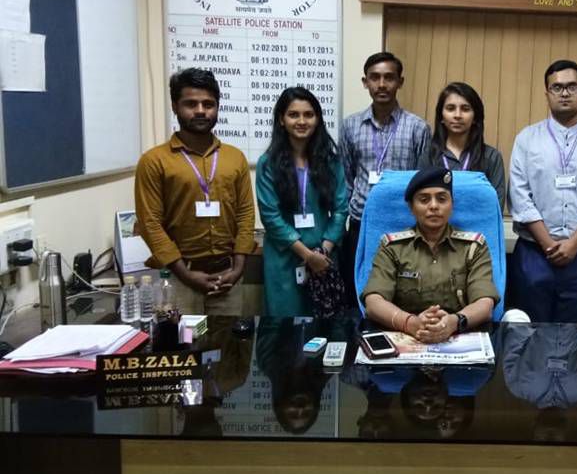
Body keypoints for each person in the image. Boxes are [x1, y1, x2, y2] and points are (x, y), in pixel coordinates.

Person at [135, 68, 255, 314]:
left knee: (227, 339)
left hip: (228, 278)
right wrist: (185, 273)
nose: (201, 111)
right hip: (178, 280)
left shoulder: (235, 158)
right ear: (175, 106)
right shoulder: (154, 161)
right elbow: (150, 223)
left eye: (208, 104)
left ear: (217, 107)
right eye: (191, 104)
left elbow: (245, 214)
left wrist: (238, 267)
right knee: (185, 339)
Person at [508, 59, 577, 323]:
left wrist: (574, 244)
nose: (565, 93)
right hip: (534, 253)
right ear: (547, 94)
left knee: (574, 331)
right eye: (557, 87)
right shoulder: (526, 139)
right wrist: (549, 245)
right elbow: (520, 195)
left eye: (572, 87)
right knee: (531, 329)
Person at [361, 166, 500, 343]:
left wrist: (454, 322)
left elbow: (485, 303)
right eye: (424, 199)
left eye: (442, 199)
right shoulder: (392, 247)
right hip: (405, 336)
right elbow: (373, 302)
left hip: (458, 337)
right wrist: (409, 323)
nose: (434, 206)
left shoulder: (473, 247)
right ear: (411, 207)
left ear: (452, 205)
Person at [339, 52, 431, 305]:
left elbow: (422, 181)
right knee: (359, 291)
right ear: (365, 82)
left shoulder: (418, 127)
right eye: (375, 77)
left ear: (400, 82)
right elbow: (346, 177)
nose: (382, 84)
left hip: (402, 224)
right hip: (361, 224)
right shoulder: (350, 126)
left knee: (401, 295)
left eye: (389, 77)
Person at [255, 87, 348, 317]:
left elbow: (341, 209)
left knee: (325, 326)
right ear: (281, 120)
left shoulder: (331, 161)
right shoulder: (268, 164)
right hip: (284, 258)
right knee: (286, 326)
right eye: (293, 115)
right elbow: (270, 217)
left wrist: (322, 252)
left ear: (318, 119)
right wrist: (307, 255)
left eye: (309, 114)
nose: (302, 121)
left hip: (324, 256)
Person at [418, 81, 506, 207]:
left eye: (465, 109)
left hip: (478, 220)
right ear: (441, 116)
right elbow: (420, 202)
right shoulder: (428, 157)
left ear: (475, 117)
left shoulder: (492, 157)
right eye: (450, 108)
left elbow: (496, 206)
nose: (457, 115)